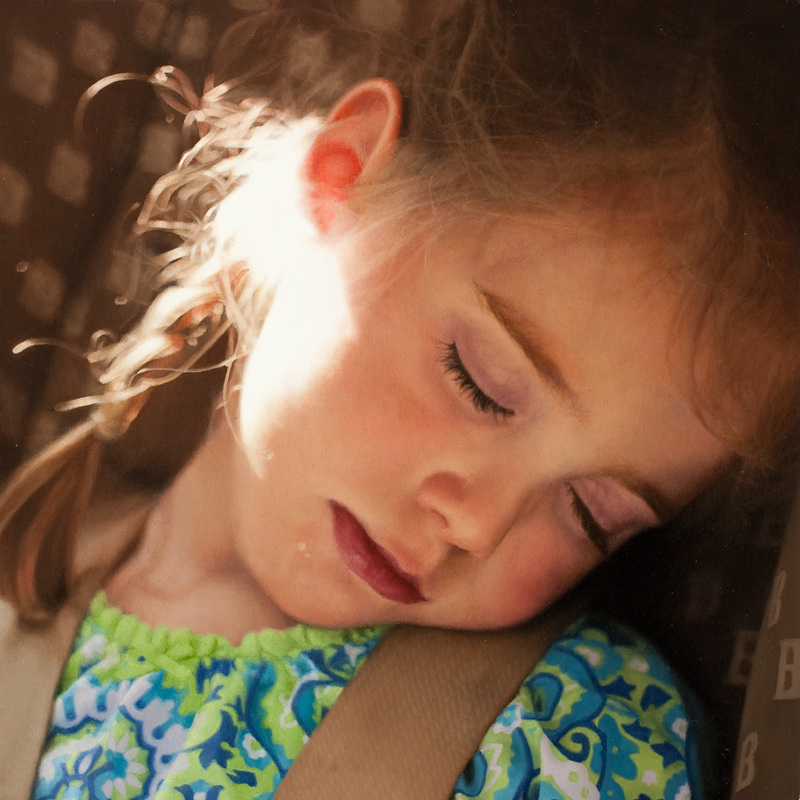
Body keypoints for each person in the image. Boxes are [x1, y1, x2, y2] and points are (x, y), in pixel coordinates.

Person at [1, 0, 798, 797]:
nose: (478, 526)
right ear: (342, 175)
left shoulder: (564, 740)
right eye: (481, 386)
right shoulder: (26, 585)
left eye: (591, 514)